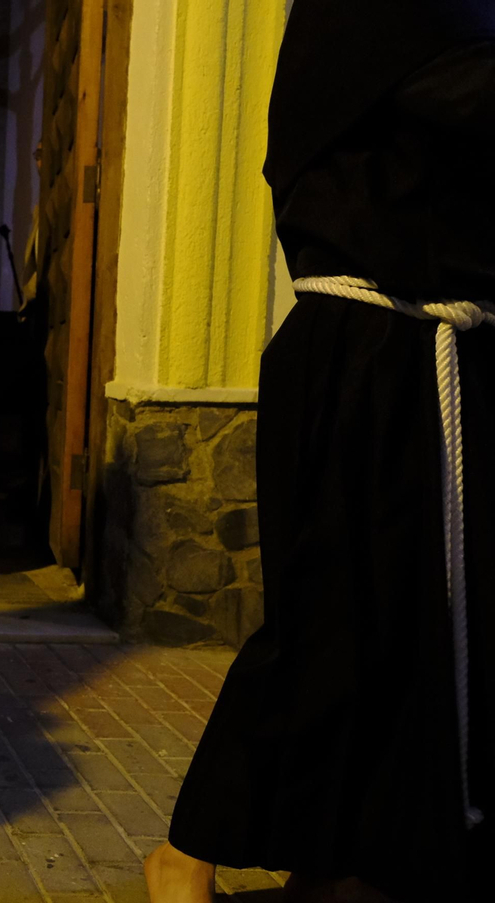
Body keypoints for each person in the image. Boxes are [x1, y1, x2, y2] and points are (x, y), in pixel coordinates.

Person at [145, 3, 495, 900]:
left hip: (435, 354)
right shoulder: (373, 17)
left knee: (411, 630)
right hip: (367, 354)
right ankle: (185, 852)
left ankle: (342, 855)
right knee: (330, 626)